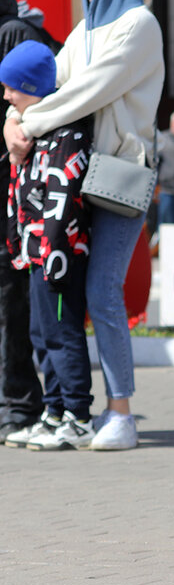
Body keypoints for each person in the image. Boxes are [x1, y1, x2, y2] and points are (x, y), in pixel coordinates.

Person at [3, 0, 164, 450]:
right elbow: (53, 76)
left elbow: (91, 87)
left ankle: (120, 414)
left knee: (101, 292)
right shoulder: (88, 28)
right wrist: (13, 115)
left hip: (118, 177)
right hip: (81, 178)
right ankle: (70, 410)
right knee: (66, 298)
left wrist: (27, 121)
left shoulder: (139, 25)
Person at [0, 41, 94, 450]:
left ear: (31, 85)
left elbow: (61, 197)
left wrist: (53, 252)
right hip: (35, 254)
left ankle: (77, 415)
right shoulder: (35, 127)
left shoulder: (65, 131)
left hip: (57, 256)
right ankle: (53, 412)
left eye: (11, 88)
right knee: (41, 334)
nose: (5, 96)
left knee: (62, 334)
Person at [0, 0, 53, 444]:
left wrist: (12, 119)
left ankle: (18, 403)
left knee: (12, 299)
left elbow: (46, 91)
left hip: (16, 195)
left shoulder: (16, 32)